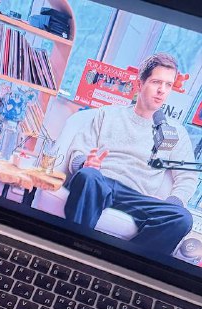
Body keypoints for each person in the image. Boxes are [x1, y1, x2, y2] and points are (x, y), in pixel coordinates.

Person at [64, 52, 196, 255]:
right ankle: (76, 253)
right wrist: (85, 163)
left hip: (139, 197)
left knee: (182, 218)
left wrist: (172, 203)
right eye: (156, 82)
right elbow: (78, 149)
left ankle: (121, 260)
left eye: (168, 85)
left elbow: (187, 177)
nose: (162, 90)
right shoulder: (107, 114)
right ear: (140, 84)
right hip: (101, 182)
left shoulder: (174, 132)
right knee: (87, 176)